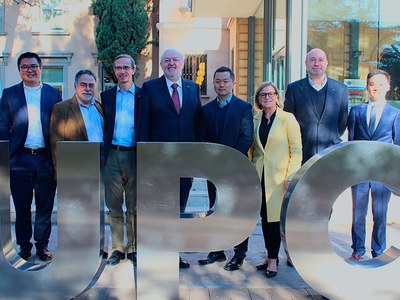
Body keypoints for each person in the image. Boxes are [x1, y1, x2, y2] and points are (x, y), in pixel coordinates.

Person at [140, 48, 204, 268]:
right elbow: (143, 125)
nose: (171, 63)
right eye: (167, 60)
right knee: (159, 207)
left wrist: (197, 157)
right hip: (159, 160)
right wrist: (145, 158)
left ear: (182, 62)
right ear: (161, 64)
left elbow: (198, 125)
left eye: (175, 59)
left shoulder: (193, 88)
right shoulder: (149, 88)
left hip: (185, 161)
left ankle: (172, 253)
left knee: (179, 208)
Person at [0, 51, 61, 261]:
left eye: (33, 66)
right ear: (19, 71)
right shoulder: (9, 94)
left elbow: (60, 127)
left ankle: (42, 246)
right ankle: (24, 246)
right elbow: (3, 126)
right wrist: (7, 156)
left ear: (40, 68)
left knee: (45, 206)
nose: (30, 70)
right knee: (22, 207)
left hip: (46, 159)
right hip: (20, 159)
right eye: (25, 67)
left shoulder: (54, 94)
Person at [197, 66, 253, 271]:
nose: (221, 84)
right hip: (213, 170)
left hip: (235, 168)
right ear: (213, 84)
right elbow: (202, 137)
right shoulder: (206, 110)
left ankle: (239, 254)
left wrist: (231, 160)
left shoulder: (243, 108)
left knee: (237, 212)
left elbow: (246, 137)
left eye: (225, 81)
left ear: (233, 83)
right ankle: (217, 251)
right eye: (217, 81)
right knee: (215, 210)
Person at [250, 81, 302, 277]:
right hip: (259, 175)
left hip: (280, 178)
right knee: (264, 218)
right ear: (258, 99)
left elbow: (296, 151)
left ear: (277, 97)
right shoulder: (256, 119)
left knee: (274, 221)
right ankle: (269, 255)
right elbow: (253, 149)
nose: (267, 97)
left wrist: (291, 175)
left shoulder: (288, 119)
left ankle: (273, 260)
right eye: (263, 95)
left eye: (271, 94)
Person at [348, 69, 400, 261]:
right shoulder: (356, 111)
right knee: (358, 213)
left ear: (387, 87)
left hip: (382, 174)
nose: (376, 87)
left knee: (380, 213)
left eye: (380, 84)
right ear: (367, 86)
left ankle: (378, 250)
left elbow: (397, 148)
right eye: (372, 84)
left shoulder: (395, 114)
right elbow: (351, 143)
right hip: (359, 172)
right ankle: (358, 249)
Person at [101, 54, 142, 266]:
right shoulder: (106, 96)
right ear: (114, 70)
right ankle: (117, 248)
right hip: (112, 156)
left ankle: (133, 247)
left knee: (134, 206)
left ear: (134, 70)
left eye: (126, 67)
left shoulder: (144, 96)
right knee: (114, 205)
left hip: (135, 155)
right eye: (118, 68)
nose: (122, 71)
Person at [284, 48, 348, 165]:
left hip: (331, 153)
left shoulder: (340, 89)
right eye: (312, 60)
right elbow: (288, 120)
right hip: (302, 153)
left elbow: (342, 122)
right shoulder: (294, 89)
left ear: (326, 63)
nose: (316, 63)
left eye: (320, 60)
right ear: (306, 64)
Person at [50, 69, 104, 168]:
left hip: (101, 164)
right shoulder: (61, 108)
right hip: (76, 167)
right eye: (83, 85)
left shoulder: (99, 106)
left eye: (91, 85)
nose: (87, 89)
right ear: (75, 86)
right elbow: (56, 145)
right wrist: (61, 173)